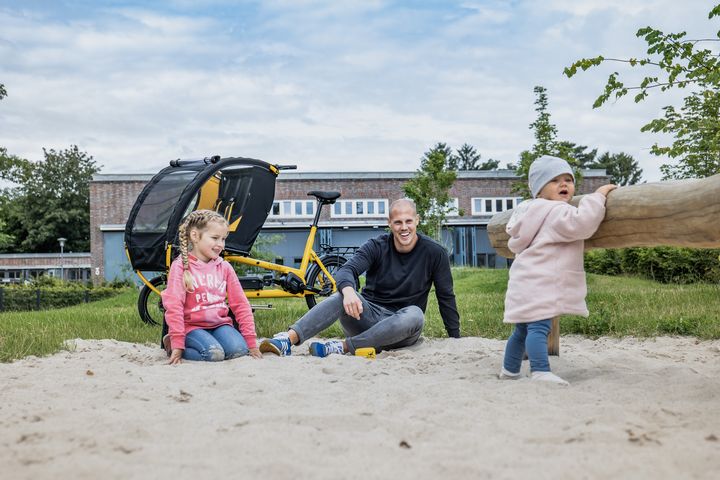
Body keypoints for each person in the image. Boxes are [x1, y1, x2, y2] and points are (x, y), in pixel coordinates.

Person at [260, 198, 460, 358]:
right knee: (341, 295)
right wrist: (348, 292)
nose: (404, 227)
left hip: (402, 329)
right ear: (389, 223)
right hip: (367, 317)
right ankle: (287, 339)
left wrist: (455, 338)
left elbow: (446, 296)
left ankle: (343, 347)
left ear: (417, 220)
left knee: (415, 314)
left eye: (408, 221)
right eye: (398, 222)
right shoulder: (376, 246)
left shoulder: (435, 253)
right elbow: (345, 271)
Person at [499, 155, 616, 385]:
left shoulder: (529, 211)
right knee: (540, 326)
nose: (564, 184)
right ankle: (540, 370)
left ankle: (510, 370)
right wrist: (598, 196)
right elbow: (582, 223)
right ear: (539, 190)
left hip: (524, 281)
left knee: (522, 329)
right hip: (541, 282)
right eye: (554, 180)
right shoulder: (554, 211)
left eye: (568, 179)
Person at [161, 209, 261, 364]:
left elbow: (241, 304)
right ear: (195, 236)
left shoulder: (225, 267)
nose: (220, 244)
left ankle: (212, 342)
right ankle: (171, 343)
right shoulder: (180, 266)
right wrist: (178, 343)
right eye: (215, 238)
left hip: (220, 325)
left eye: (223, 239)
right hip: (191, 328)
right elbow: (174, 306)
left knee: (240, 350)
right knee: (213, 354)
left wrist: (251, 342)